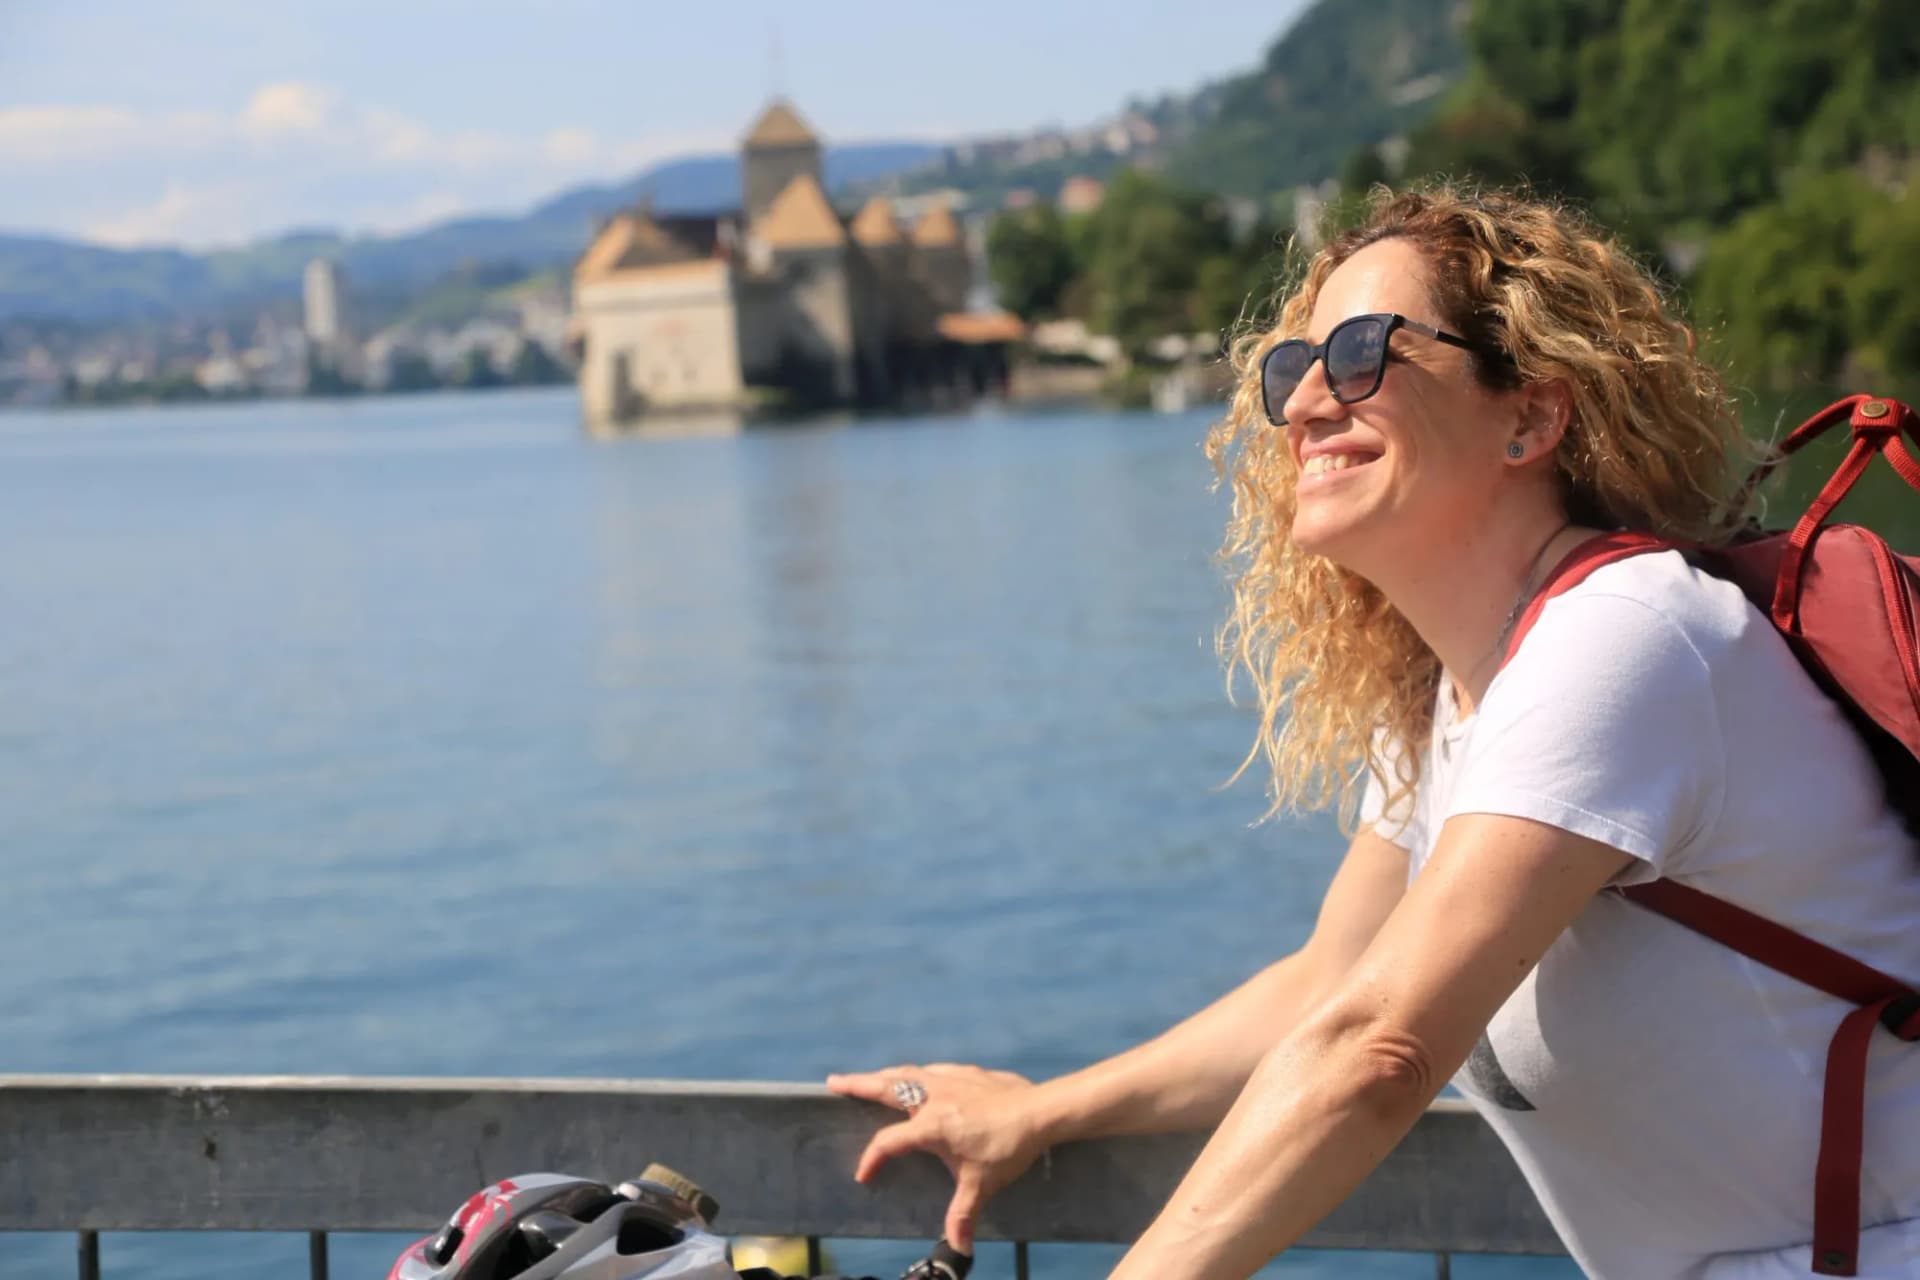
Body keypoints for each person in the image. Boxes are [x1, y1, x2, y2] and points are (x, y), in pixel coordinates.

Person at [827, 185, 1920, 1279]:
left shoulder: (1626, 637)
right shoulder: (1452, 693)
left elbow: (1379, 1049)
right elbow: (1329, 988)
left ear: (1532, 416)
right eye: (1292, 367)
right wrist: (1041, 1112)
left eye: (1360, 353)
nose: (1305, 401)